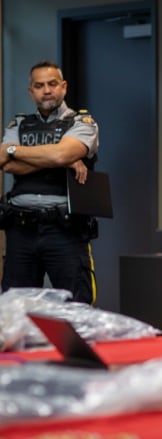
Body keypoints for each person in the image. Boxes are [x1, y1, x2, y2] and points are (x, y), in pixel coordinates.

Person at [0, 61, 100, 305]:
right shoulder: (19, 124)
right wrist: (61, 158)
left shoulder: (82, 123)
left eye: (52, 84)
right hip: (20, 229)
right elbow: (5, 161)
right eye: (39, 85)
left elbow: (60, 154)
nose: (46, 90)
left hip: (64, 230)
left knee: (76, 308)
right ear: (31, 91)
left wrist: (20, 152)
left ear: (63, 87)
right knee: (15, 309)